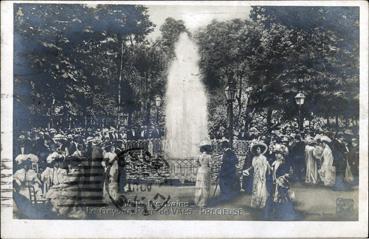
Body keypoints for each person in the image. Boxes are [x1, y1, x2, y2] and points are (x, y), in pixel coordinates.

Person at [243, 141, 270, 209]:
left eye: (259, 149)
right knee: (255, 188)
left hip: (261, 175)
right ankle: (255, 203)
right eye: (256, 149)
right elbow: (252, 166)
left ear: (261, 150)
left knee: (260, 188)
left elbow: (265, 167)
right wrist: (247, 170)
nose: (257, 150)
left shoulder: (263, 158)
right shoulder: (254, 158)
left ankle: (261, 203)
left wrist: (263, 175)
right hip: (255, 175)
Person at [194, 140, 212, 207]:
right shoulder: (209, 156)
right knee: (205, 186)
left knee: (199, 186)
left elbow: (196, 163)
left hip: (200, 170)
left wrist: (200, 166)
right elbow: (211, 165)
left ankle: (197, 201)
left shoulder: (199, 156)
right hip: (206, 171)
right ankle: (203, 203)